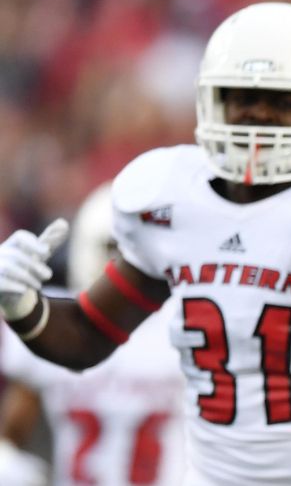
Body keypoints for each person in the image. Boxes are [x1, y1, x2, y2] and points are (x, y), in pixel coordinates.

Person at [0, 2, 291, 486]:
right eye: (240, 95)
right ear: (209, 100)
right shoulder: (179, 208)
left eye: (282, 100)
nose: (258, 114)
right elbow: (85, 334)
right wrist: (21, 304)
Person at [0, 182, 186, 486]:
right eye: (115, 251)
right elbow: (14, 429)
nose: (124, 268)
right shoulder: (58, 328)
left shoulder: (181, 322)